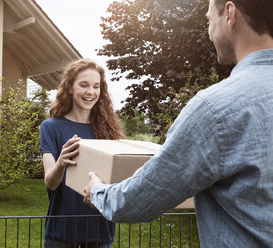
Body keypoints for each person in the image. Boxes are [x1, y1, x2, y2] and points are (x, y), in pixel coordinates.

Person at [83, 0, 273, 247]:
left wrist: (98, 191)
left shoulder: (215, 110)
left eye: (208, 20)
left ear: (229, 14)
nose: (209, 32)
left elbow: (140, 199)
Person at [40, 58, 124, 248]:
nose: (90, 92)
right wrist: (61, 161)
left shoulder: (108, 130)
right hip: (61, 231)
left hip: (100, 229)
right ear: (69, 87)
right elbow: (50, 183)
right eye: (83, 85)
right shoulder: (50, 127)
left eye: (96, 86)